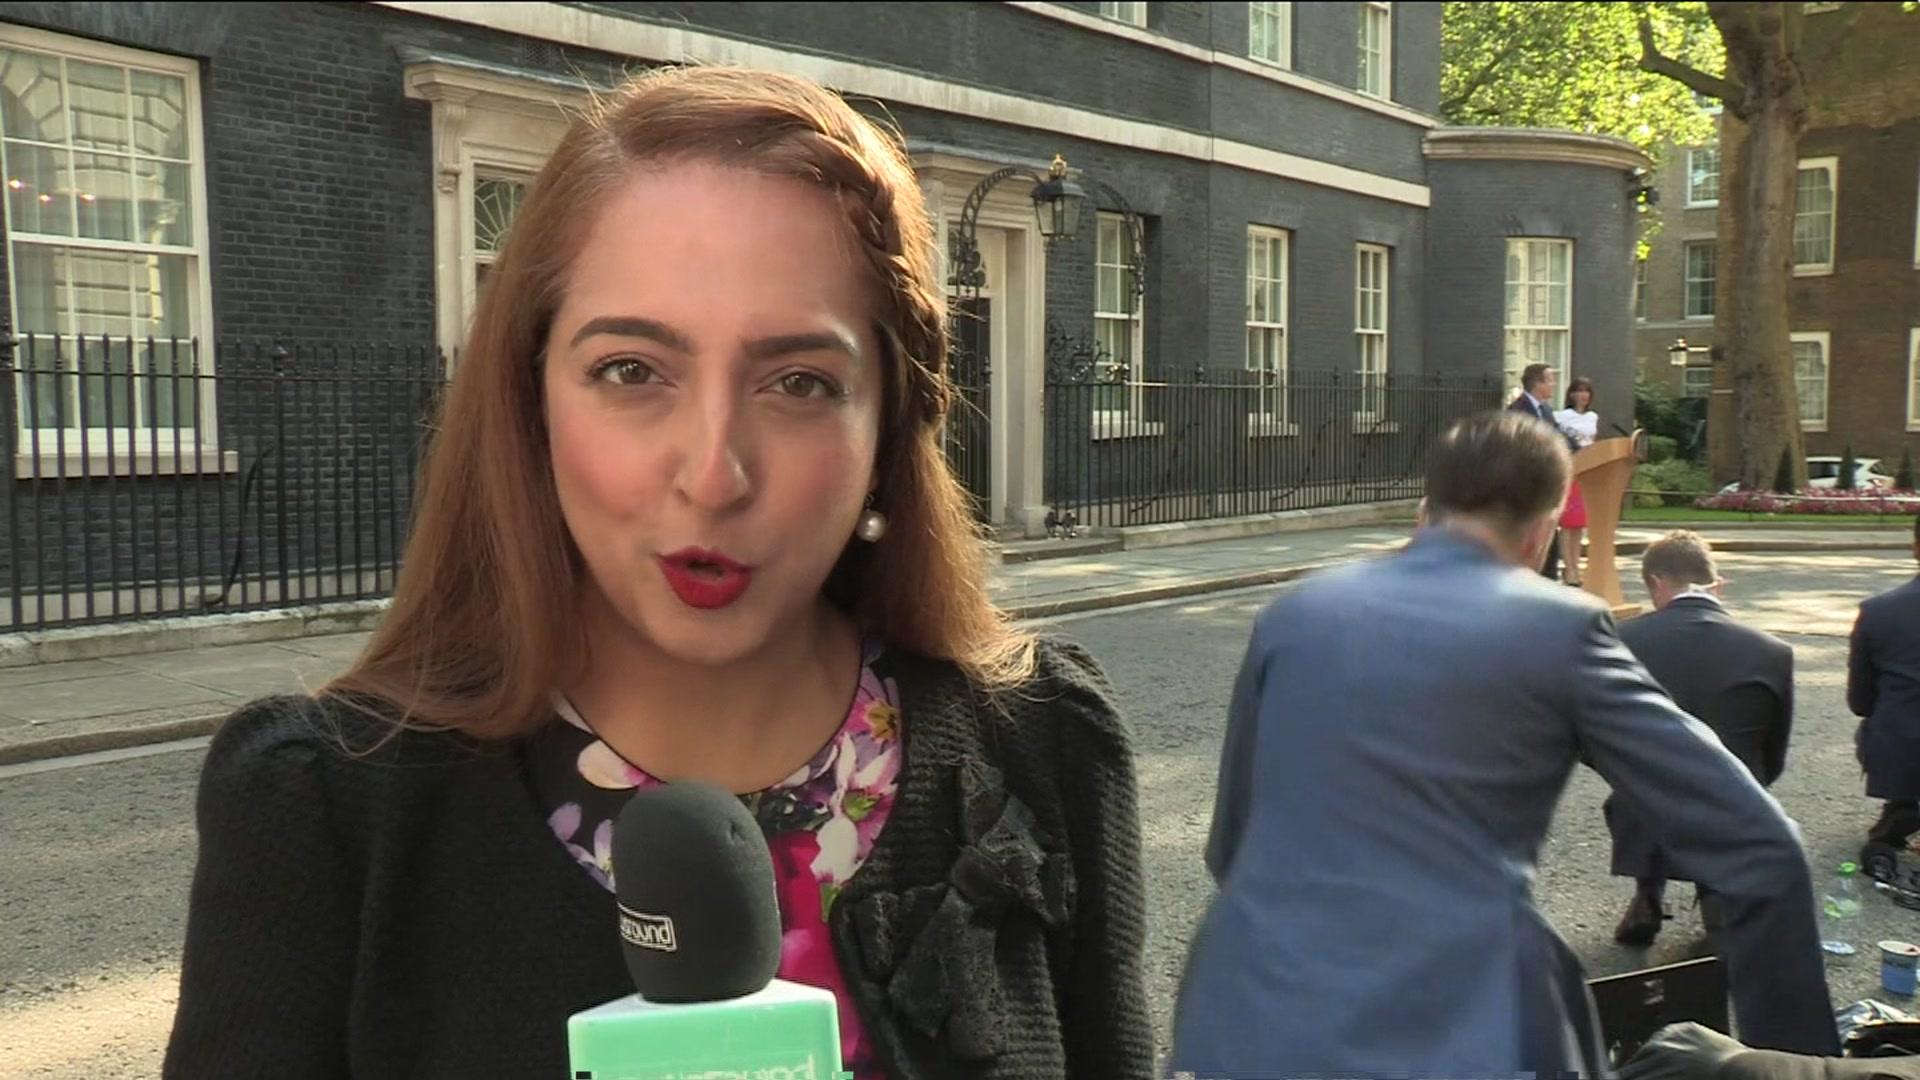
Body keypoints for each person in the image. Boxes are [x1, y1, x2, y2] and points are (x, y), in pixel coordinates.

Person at [163, 66, 1150, 1080]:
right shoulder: (323, 811)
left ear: (892, 423)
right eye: (631, 371)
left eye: (800, 382)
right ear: (529, 397)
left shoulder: (1047, 743)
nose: (713, 475)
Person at [1167, 411, 1837, 1079]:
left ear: (1424, 511)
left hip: (1241, 1005)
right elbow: (1763, 850)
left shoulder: (1296, 610)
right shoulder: (1562, 629)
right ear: (1544, 534)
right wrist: (1797, 1065)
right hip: (1445, 1022)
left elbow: (1231, 842)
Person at [1606, 531, 1795, 947]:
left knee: (1637, 784)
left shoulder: (1620, 641)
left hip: (1644, 804)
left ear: (1656, 583)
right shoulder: (1772, 651)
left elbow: (1596, 735)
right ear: (1718, 584)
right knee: (1737, 780)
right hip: (1731, 805)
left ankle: (1648, 893)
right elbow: (1773, 754)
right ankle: (1717, 898)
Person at [1849, 512, 1920, 884]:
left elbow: (1860, 702)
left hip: (1901, 754)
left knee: (1880, 721)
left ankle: (1902, 808)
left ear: (1915, 548)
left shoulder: (1878, 612)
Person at [1510, 362, 1567, 582]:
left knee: (1550, 536)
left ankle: (1549, 578)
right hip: (1527, 486)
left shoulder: (1546, 411)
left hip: (1547, 485)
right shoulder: (1517, 410)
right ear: (1537, 383)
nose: (1553, 384)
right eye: (1550, 379)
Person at [1555, 376, 1600, 587]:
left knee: (1579, 524)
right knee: (1568, 522)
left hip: (1587, 473)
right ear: (1571, 394)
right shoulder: (1562, 417)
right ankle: (1568, 567)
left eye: (1586, 391)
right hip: (1570, 470)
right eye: (1578, 391)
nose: (1582, 395)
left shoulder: (1592, 417)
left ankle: (1576, 564)